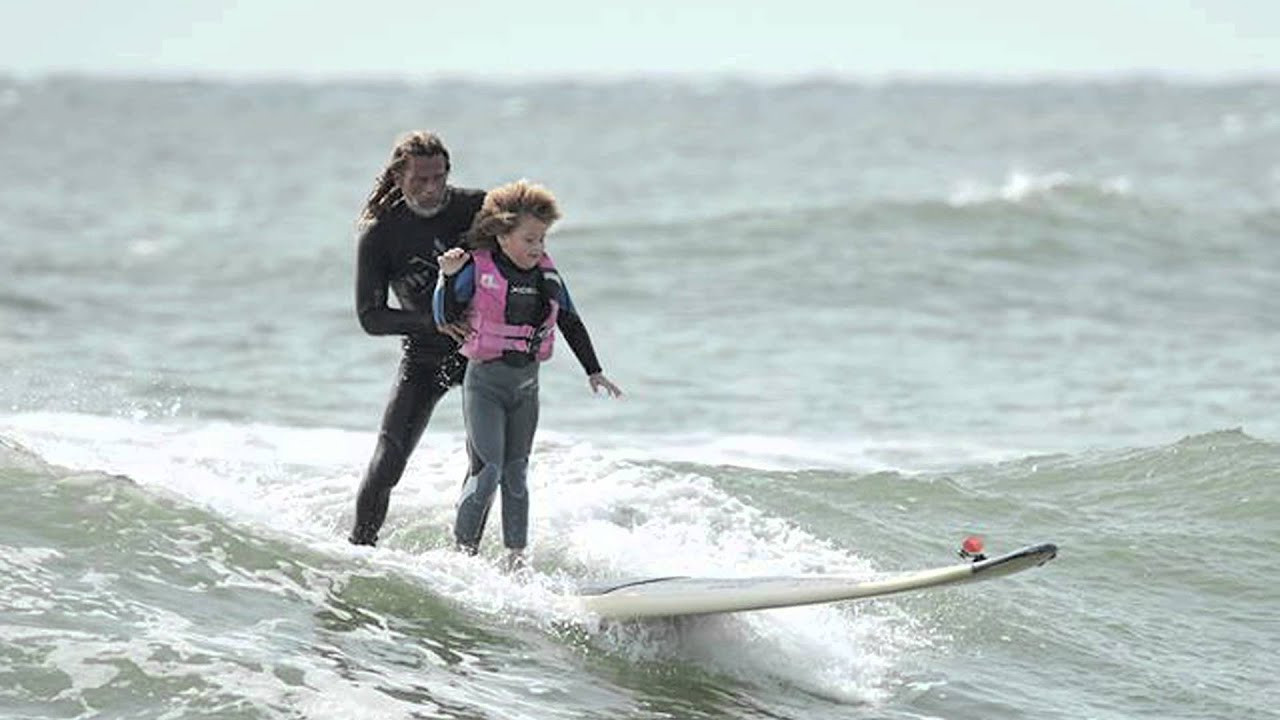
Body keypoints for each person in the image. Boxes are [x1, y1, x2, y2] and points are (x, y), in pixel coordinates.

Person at [433, 180, 622, 569]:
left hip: (526, 388)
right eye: (529, 239)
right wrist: (449, 277)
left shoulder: (547, 276)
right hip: (485, 384)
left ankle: (515, 559)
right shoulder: (476, 269)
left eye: (542, 240)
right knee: (488, 472)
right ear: (502, 235)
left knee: (517, 475)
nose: (537, 248)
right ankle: (461, 558)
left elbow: (570, 320)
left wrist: (594, 370)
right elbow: (446, 316)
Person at [348, 131, 485, 547]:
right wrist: (434, 322)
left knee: (484, 463)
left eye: (439, 178)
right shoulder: (381, 234)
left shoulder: (476, 208)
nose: (431, 189)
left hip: (481, 352)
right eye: (419, 180)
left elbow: (526, 251)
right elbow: (371, 317)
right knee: (389, 459)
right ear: (397, 176)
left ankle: (467, 558)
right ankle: (359, 551)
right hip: (423, 358)